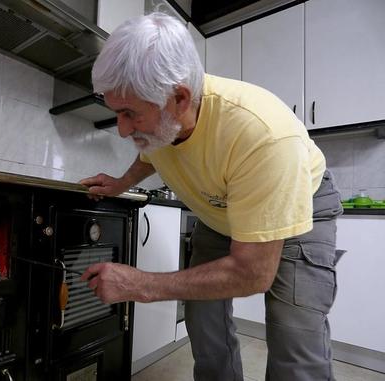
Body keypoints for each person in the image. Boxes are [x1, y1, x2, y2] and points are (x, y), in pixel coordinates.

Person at [79, 12, 344, 381]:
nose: (122, 130)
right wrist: (122, 182)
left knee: (294, 342)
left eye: (129, 114)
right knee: (203, 322)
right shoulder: (163, 122)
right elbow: (149, 152)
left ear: (180, 99)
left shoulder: (262, 135)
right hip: (221, 213)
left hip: (300, 211)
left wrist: (141, 285)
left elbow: (253, 273)